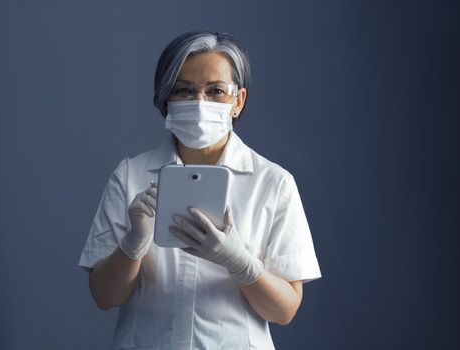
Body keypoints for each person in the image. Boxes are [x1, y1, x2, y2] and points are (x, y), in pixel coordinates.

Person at [78, 30, 322, 350]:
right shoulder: (130, 176)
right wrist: (133, 244)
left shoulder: (273, 183)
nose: (199, 102)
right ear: (165, 98)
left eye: (216, 91)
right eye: (184, 90)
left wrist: (238, 261)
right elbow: (105, 297)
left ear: (238, 101)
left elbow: (284, 310)